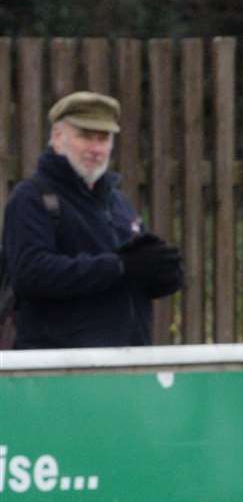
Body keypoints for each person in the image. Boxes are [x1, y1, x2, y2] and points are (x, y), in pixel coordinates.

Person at [1, 91, 183, 349]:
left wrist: (163, 275)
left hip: (128, 364)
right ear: (57, 137)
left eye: (104, 138)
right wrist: (119, 266)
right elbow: (31, 273)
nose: (96, 149)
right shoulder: (31, 198)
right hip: (61, 370)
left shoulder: (118, 203)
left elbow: (130, 273)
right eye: (85, 136)